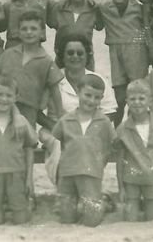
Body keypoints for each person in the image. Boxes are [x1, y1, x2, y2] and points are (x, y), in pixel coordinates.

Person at [43, 74, 117, 227]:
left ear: (101, 98)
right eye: (87, 95)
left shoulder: (104, 122)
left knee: (91, 220)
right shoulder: (66, 120)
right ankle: (77, 201)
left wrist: (97, 164)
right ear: (78, 92)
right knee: (66, 217)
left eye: (97, 97)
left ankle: (103, 201)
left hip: (91, 173)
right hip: (68, 173)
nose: (91, 101)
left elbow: (108, 146)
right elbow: (59, 139)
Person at [0, 74, 37, 225]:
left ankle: (26, 205)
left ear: (16, 97)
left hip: (16, 174)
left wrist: (29, 178)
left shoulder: (21, 122)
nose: (3, 99)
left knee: (20, 219)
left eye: (8, 95)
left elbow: (30, 147)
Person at [0, 11, 63, 129]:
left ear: (42, 32)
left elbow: (55, 91)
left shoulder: (46, 60)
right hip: (2, 105)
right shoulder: (9, 54)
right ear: (18, 32)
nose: (29, 32)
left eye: (33, 28)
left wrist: (61, 117)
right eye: (24, 29)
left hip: (28, 110)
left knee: (25, 140)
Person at [96, 0, 151, 126]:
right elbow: (98, 25)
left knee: (137, 93)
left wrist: (149, 48)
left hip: (136, 51)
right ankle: (117, 130)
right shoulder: (104, 7)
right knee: (119, 96)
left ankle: (137, 127)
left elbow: (147, 28)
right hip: (116, 51)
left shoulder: (138, 7)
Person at [115, 80, 153, 221]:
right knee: (130, 218)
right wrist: (121, 187)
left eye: (141, 98)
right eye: (133, 99)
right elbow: (119, 160)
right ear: (127, 101)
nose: (137, 102)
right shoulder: (122, 129)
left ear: (150, 100)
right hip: (131, 178)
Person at [52, 32, 118, 119]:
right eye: (70, 53)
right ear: (62, 56)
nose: (75, 56)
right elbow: (38, 110)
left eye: (80, 53)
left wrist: (92, 127)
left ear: (87, 56)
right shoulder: (52, 79)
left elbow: (109, 110)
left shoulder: (98, 79)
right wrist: (57, 127)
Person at [49, 0, 99, 71]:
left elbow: (101, 25)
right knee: (61, 85)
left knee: (86, 85)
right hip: (61, 59)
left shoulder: (94, 9)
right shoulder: (58, 8)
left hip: (86, 59)